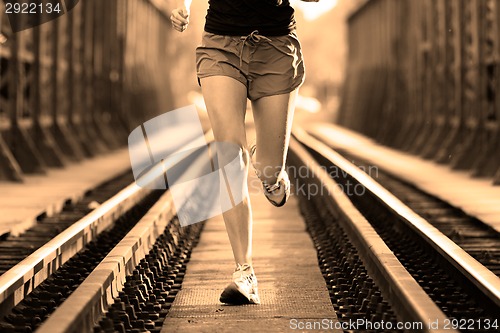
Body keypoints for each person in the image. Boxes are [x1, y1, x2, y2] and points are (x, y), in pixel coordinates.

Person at [170, 0, 318, 305]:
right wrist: (181, 4)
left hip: (275, 49)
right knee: (228, 155)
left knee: (267, 169)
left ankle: (273, 176)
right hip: (221, 45)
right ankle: (244, 272)